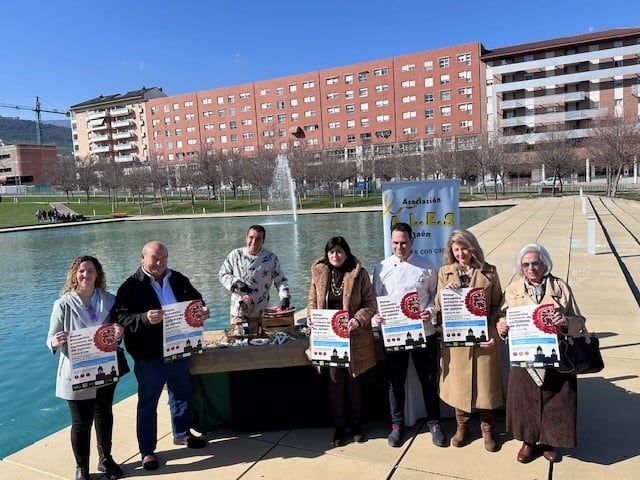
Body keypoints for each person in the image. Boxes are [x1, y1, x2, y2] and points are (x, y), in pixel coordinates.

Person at [112, 241, 210, 472]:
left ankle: (182, 433)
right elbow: (122, 320)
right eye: (155, 258)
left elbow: (197, 301)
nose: (160, 263)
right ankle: (147, 451)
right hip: (149, 355)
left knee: (182, 393)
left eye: (164, 258)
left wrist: (203, 311)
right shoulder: (129, 287)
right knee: (148, 403)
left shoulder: (177, 279)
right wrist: (145, 319)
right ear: (142, 258)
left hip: (179, 348)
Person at [497, 243, 585, 463]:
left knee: (555, 399)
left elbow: (580, 322)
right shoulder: (513, 289)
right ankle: (528, 441)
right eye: (526, 264)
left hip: (556, 354)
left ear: (544, 263)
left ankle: (548, 440)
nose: (531, 268)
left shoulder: (560, 287)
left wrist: (565, 321)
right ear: (521, 267)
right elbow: (502, 318)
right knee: (524, 399)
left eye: (535, 263)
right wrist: (502, 328)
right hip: (525, 354)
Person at [46, 256, 124, 480]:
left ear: (97, 274)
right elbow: (50, 337)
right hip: (76, 370)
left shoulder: (110, 300)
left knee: (104, 415)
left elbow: (118, 328)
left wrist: (120, 331)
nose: (86, 275)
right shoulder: (63, 304)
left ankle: (105, 458)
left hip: (105, 368)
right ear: (74, 274)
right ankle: (82, 468)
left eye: (90, 271)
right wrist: (55, 342)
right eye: (81, 271)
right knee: (81, 422)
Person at [372, 222, 446, 448]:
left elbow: (436, 297)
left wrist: (430, 311)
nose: (400, 247)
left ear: (412, 241)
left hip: (424, 333)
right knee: (395, 382)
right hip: (395, 335)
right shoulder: (381, 268)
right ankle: (397, 424)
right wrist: (377, 318)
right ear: (390, 242)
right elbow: (376, 300)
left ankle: (435, 423)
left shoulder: (427, 266)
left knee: (429, 380)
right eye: (395, 242)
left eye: (404, 242)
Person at [435, 229, 504, 452]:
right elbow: (437, 306)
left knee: (486, 384)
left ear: (472, 247)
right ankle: (462, 426)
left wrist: (494, 333)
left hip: (483, 336)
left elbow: (497, 307)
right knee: (459, 384)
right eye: (456, 250)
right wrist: (444, 292)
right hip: (457, 338)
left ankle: (487, 429)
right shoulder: (444, 272)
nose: (461, 253)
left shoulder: (490, 272)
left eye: (464, 248)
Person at [307, 236, 377, 446]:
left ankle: (357, 425)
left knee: (354, 379)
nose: (335, 256)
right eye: (331, 252)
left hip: (353, 335)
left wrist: (358, 319)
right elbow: (311, 300)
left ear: (346, 253)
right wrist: (311, 316)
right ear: (327, 255)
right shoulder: (319, 273)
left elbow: (370, 303)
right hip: (329, 337)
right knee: (335, 380)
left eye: (339, 251)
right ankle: (339, 428)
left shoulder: (358, 274)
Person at [219, 224, 290, 335]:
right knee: (239, 344)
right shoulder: (235, 255)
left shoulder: (271, 258)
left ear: (263, 241)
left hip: (261, 312)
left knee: (259, 344)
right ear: (246, 238)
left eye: (258, 239)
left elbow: (280, 280)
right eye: (251, 237)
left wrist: (284, 296)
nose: (254, 242)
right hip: (238, 311)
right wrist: (235, 282)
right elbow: (223, 274)